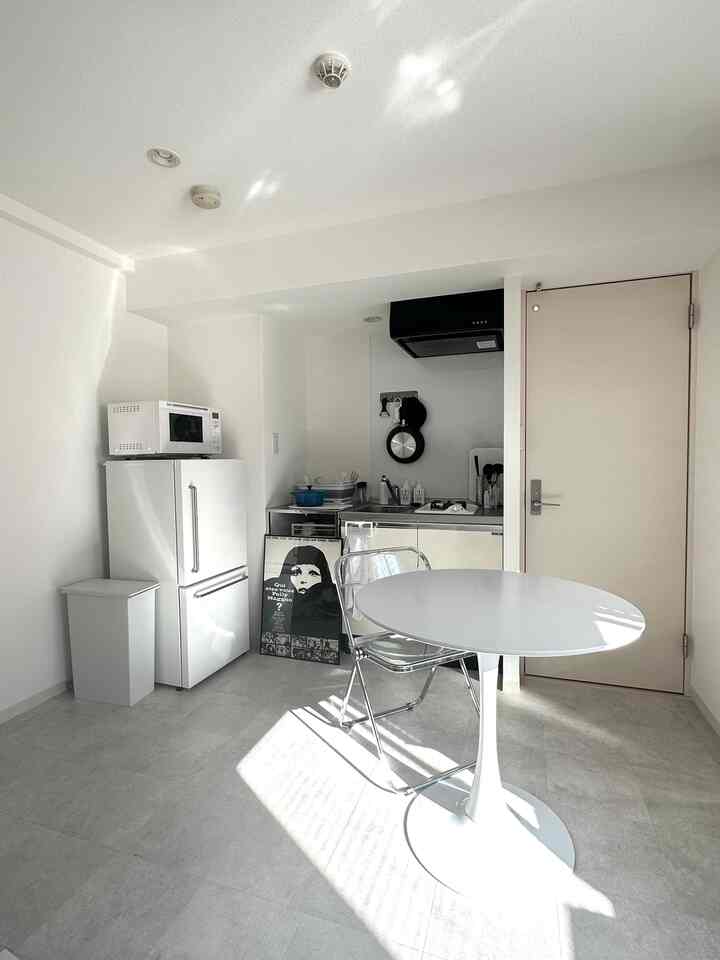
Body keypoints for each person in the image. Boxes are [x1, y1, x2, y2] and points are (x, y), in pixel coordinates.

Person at [262, 543, 341, 645]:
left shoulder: (332, 601)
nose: (303, 580)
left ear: (323, 577)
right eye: (296, 573)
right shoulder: (275, 597)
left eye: (312, 573)